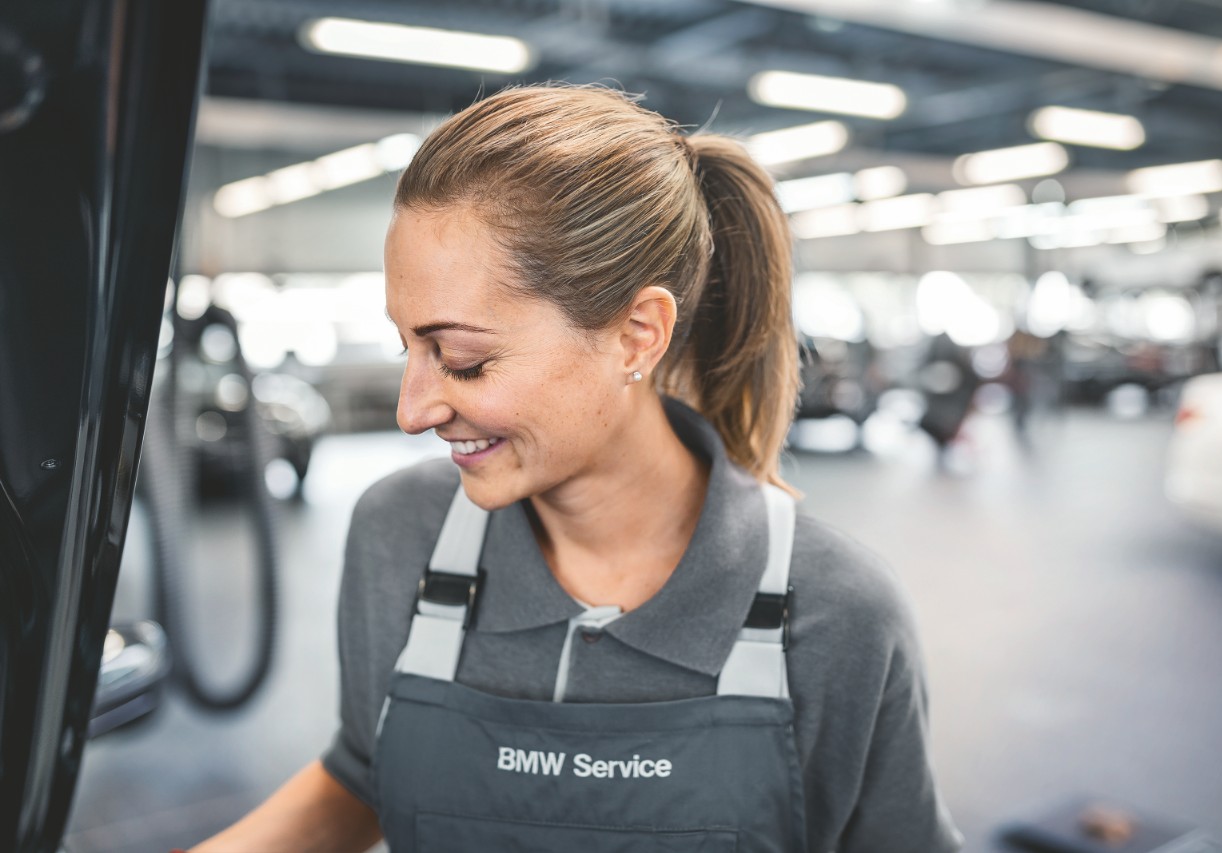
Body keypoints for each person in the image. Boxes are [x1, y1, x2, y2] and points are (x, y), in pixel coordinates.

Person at [191, 84, 962, 853]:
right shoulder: (401, 532)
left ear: (637, 334)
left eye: (463, 359)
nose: (412, 410)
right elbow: (365, 771)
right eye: (410, 348)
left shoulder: (837, 612)